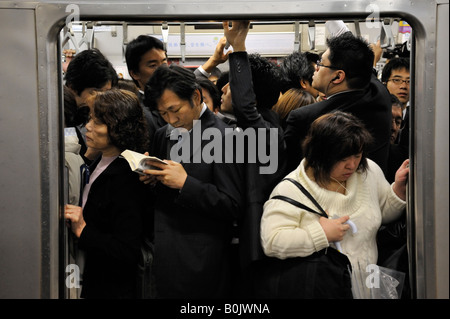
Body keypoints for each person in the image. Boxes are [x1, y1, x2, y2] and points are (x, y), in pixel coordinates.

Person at [261, 111, 409, 297]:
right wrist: (320, 234)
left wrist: (398, 191)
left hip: (367, 285)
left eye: (357, 155)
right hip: (323, 289)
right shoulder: (291, 190)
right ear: (320, 155)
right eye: (342, 158)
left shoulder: (368, 171)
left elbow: (382, 213)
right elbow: (272, 242)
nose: (352, 165)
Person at [140, 64, 245, 298]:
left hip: (202, 263)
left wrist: (185, 183)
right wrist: (152, 178)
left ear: (196, 97)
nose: (171, 119)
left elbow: (233, 205)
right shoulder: (163, 134)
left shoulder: (226, 137)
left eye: (174, 110)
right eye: (163, 114)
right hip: (165, 256)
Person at [64, 89, 151, 299]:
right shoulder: (102, 161)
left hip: (112, 287)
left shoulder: (128, 177)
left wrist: (83, 230)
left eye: (97, 122)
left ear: (119, 128)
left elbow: (126, 250)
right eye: (90, 119)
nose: (88, 127)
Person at [222, 20, 287, 296]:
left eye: (230, 87)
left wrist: (237, 46)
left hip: (255, 241)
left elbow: (246, 109)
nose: (224, 91)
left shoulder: (266, 131)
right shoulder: (258, 129)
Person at [284, 30, 392, 175]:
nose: (315, 68)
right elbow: (365, 71)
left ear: (337, 77)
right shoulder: (381, 96)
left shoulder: (304, 118)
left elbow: (289, 171)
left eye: (320, 64)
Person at [125, 35, 168, 141]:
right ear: (135, 73)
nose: (163, 70)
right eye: (153, 65)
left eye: (164, 62)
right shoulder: (137, 114)